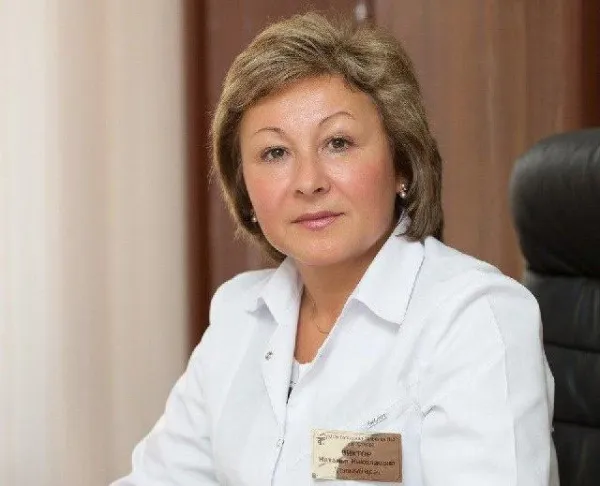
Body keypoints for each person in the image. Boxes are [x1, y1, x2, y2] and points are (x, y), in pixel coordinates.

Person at [111, 12, 558, 486]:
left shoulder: (475, 319)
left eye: (338, 143)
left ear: (402, 165)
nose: (308, 182)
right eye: (275, 153)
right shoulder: (239, 315)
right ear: (245, 190)